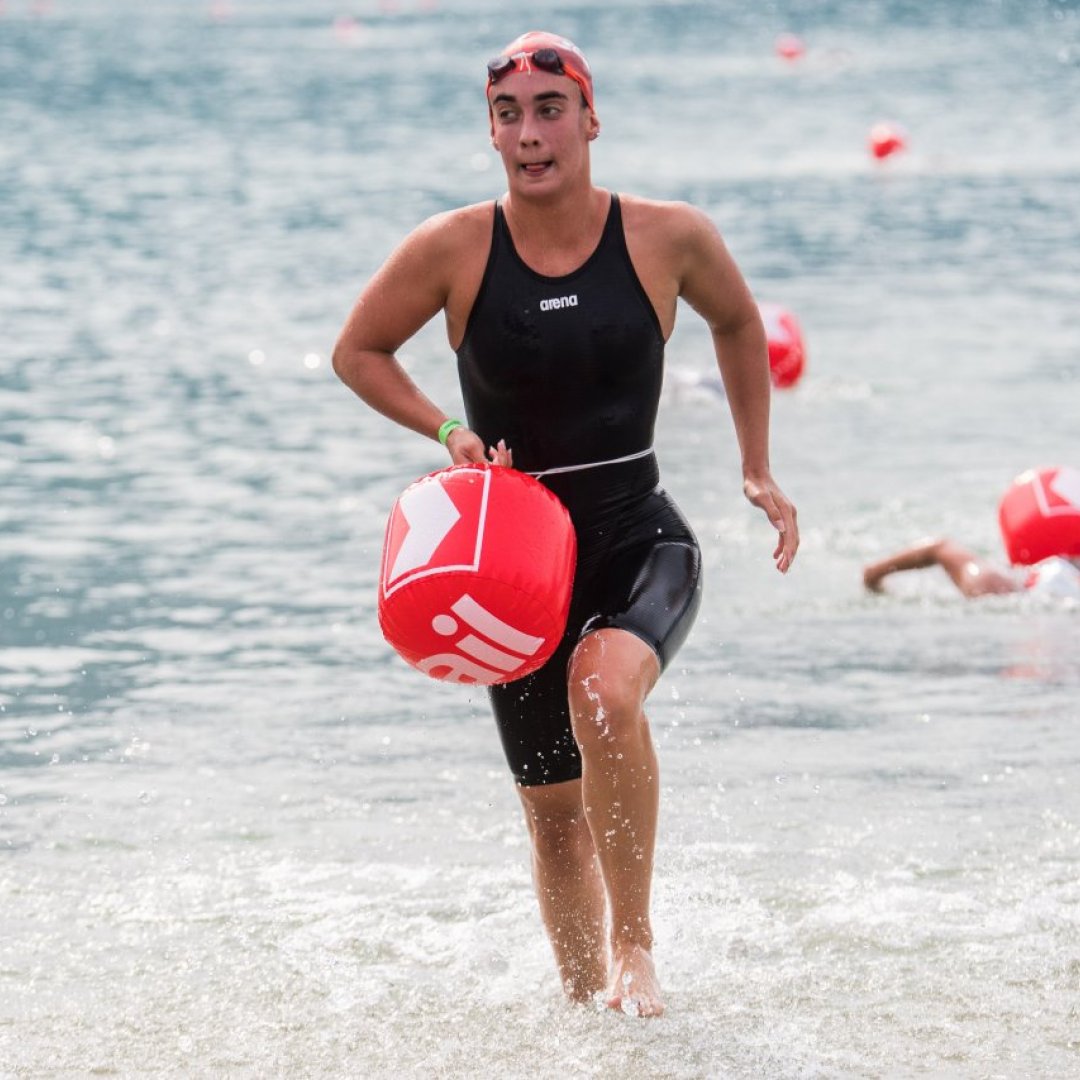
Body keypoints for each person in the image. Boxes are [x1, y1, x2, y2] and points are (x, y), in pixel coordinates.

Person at [332, 30, 799, 1017]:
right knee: (552, 821)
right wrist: (449, 429)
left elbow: (739, 322)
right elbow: (359, 351)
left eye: (551, 109)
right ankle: (594, 1020)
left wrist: (756, 466)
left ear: (591, 119)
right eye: (510, 115)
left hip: (640, 540)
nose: (532, 132)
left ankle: (636, 948)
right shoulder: (453, 250)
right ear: (491, 132)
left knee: (605, 689)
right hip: (514, 577)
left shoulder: (667, 237)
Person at [863, 537, 1080, 599]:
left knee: (944, 548)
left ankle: (873, 573)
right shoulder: (995, 589)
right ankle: (872, 573)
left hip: (1037, 591)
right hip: (1022, 592)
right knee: (943, 549)